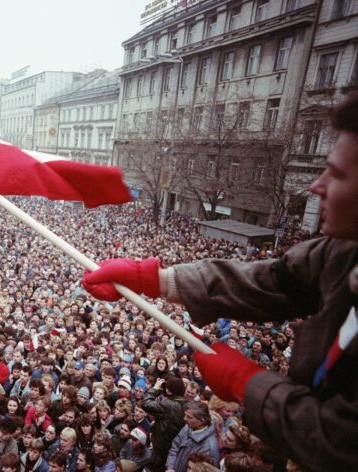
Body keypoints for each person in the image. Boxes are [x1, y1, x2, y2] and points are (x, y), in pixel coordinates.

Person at [82, 95, 358, 471]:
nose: (316, 186)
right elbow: (276, 280)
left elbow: (342, 442)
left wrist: (250, 385)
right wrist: (158, 280)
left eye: (337, 174)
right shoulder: (344, 252)